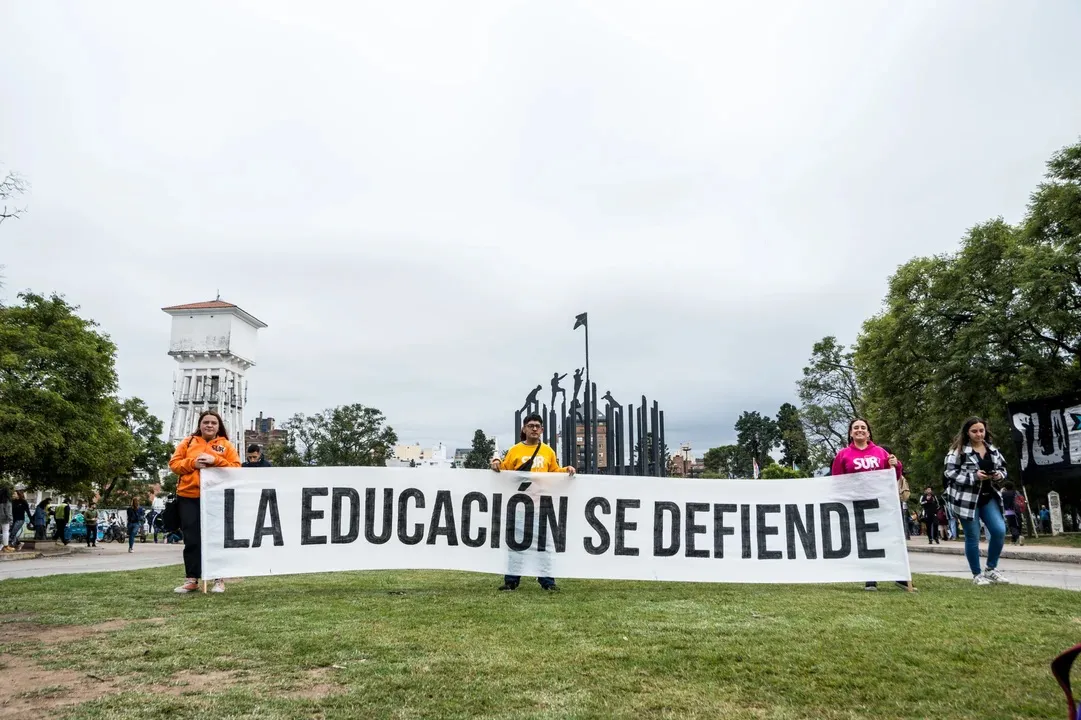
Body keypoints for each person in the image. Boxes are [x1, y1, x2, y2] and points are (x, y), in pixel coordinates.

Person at [489, 412, 576, 592]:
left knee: (544, 546)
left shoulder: (548, 451)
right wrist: (496, 461)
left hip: (541, 505)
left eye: (537, 426)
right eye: (531, 426)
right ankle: (511, 581)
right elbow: (504, 471)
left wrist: (566, 470)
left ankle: (547, 582)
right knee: (515, 546)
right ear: (524, 429)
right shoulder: (515, 451)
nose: (534, 429)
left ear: (542, 430)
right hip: (519, 506)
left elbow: (554, 473)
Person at [830, 419, 909, 591]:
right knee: (866, 542)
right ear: (851, 433)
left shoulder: (880, 453)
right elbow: (837, 480)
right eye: (855, 428)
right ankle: (870, 578)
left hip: (880, 502)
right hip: (857, 503)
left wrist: (897, 466)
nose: (859, 430)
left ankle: (898, 575)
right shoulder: (843, 455)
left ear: (868, 432)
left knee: (888, 539)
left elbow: (892, 477)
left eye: (863, 428)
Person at [168, 410, 241, 594]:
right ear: (200, 425)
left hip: (216, 497)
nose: (209, 425)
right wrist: (193, 463)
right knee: (192, 539)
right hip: (189, 497)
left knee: (215, 538)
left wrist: (215, 460)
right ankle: (191, 579)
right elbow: (174, 464)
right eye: (206, 422)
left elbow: (236, 468)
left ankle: (219, 579)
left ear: (219, 426)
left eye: (213, 423)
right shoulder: (188, 442)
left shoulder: (226, 446)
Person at [944, 416, 1010, 586]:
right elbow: (950, 473)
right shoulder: (958, 452)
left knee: (999, 530)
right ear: (967, 433)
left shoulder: (993, 450)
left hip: (988, 496)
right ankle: (976, 574)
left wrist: (998, 475)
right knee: (972, 536)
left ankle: (991, 568)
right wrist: (973, 477)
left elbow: (1003, 468)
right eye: (974, 431)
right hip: (966, 500)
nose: (979, 434)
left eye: (981, 430)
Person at [0, 487, 12, 553]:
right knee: (5, 532)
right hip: (5, 518)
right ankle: (6, 546)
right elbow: (8, 511)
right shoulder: (6, 500)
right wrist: (11, 519)